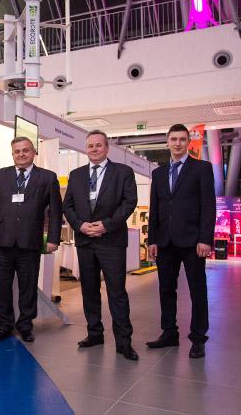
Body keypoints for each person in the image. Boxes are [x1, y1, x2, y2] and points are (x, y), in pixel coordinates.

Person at [63, 130, 139, 361]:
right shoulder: (76, 175)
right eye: (90, 146)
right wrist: (80, 225)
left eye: (98, 145)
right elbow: (68, 206)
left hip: (111, 241)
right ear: (85, 148)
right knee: (89, 290)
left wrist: (107, 225)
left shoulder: (123, 172)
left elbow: (129, 202)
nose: (94, 149)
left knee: (117, 291)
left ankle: (124, 342)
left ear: (107, 148)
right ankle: (95, 333)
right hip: (85, 240)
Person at [0, 137, 62, 343]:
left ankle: (26, 325)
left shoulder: (48, 177)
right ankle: (4, 324)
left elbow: (55, 211)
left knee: (28, 285)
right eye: (17, 151)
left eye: (25, 150)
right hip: (3, 241)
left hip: (30, 241)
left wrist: (53, 238)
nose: (21, 154)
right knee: (2, 286)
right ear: (12, 154)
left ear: (34, 152)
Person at [147, 124, 215, 359]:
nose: (177, 143)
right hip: (165, 241)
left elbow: (208, 206)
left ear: (188, 142)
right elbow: (155, 209)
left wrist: (205, 238)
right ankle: (169, 332)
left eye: (182, 139)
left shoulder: (202, 168)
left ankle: (198, 338)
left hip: (193, 241)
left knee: (197, 290)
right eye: (173, 139)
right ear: (167, 142)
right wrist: (152, 239)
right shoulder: (158, 173)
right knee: (166, 288)